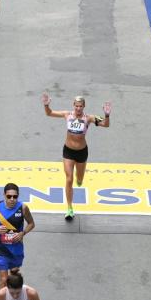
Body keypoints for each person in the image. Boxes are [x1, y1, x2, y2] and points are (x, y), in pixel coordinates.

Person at [41, 92, 111, 220]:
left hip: (82, 152)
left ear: (84, 107)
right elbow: (49, 113)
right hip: (68, 151)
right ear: (73, 105)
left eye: (81, 106)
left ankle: (80, 179)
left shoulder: (88, 118)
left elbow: (106, 124)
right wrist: (46, 105)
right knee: (69, 179)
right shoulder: (67, 115)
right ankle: (69, 208)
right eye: (76, 106)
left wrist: (107, 115)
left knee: (79, 179)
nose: (78, 108)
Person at [0, 183, 36, 289]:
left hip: (16, 249)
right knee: (3, 280)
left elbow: (31, 224)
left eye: (15, 196)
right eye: (9, 196)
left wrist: (23, 233)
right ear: (4, 195)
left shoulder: (23, 208)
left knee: (14, 279)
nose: (12, 199)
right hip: (1, 248)